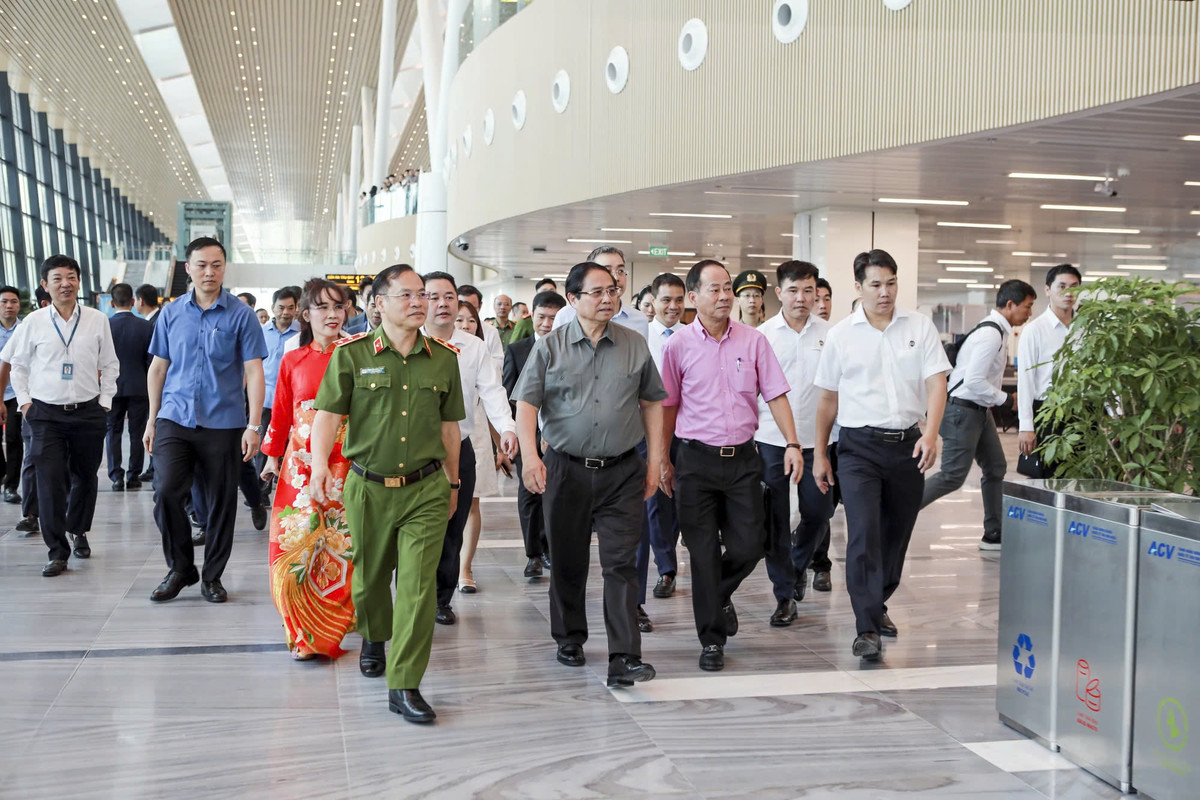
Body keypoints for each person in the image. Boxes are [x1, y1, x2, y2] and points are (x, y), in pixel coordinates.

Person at [309, 263, 465, 724]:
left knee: (418, 588)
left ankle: (405, 684)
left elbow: (449, 428)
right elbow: (328, 415)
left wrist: (453, 482)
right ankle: (374, 635)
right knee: (371, 578)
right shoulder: (351, 355)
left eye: (424, 295)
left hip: (426, 488)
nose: (420, 302)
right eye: (407, 295)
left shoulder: (443, 357)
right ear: (378, 303)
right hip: (368, 487)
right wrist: (320, 465)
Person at [514, 261, 665, 688]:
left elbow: (653, 402)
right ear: (573, 298)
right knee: (568, 560)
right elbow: (526, 405)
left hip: (622, 470)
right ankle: (569, 637)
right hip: (566, 468)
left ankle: (624, 655)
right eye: (596, 292)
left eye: (613, 291)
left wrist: (654, 461)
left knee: (621, 564)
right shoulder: (550, 347)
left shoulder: (635, 344)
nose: (608, 298)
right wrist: (530, 458)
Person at [659, 260, 801, 672]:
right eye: (715, 289)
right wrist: (663, 459)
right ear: (693, 297)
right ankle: (711, 639)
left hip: (743, 459)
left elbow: (775, 394)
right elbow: (667, 407)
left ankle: (717, 593)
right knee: (702, 552)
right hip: (694, 461)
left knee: (750, 543)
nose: (724, 296)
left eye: (728, 289)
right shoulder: (678, 346)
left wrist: (792, 442)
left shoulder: (754, 342)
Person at [812, 249, 950, 662]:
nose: (884, 292)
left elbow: (937, 384)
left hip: (909, 445)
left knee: (896, 534)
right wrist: (820, 454)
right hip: (858, 449)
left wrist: (931, 432)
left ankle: (878, 599)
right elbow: (827, 400)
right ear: (858, 286)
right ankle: (866, 626)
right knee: (863, 533)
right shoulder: (841, 335)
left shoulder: (919, 326)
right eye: (875, 284)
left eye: (891, 283)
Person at [144, 237, 268, 604]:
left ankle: (212, 576)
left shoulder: (241, 315)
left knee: (220, 503)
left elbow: (255, 371)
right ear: (188, 268)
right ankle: (181, 568)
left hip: (224, 422)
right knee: (166, 491)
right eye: (201, 265)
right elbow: (158, 368)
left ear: (224, 267)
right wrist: (151, 421)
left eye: (216, 264)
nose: (209, 272)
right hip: (174, 418)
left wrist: (254, 425)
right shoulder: (171, 313)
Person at [3, 255, 118, 577]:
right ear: (45, 284)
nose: (65, 283)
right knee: (50, 481)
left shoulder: (97, 319)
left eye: (71, 277)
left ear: (79, 282)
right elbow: (18, 366)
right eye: (57, 278)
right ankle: (57, 550)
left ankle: (78, 530)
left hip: (88, 411)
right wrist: (25, 404)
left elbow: (110, 364)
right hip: (45, 415)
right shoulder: (33, 322)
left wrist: (105, 401)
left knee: (85, 477)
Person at [260, 278, 356, 660]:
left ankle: (329, 635)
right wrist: (272, 454)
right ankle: (301, 633)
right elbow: (281, 411)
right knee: (292, 549)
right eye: (323, 307)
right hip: (299, 470)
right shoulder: (292, 360)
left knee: (341, 552)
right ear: (306, 314)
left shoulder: (357, 355)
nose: (332, 314)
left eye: (339, 306)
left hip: (348, 466)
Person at [422, 272, 517, 626]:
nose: (443, 303)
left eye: (449, 297)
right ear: (420, 300)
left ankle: (441, 599)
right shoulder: (409, 342)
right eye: (434, 296)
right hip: (414, 451)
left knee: (452, 526)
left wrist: (507, 428)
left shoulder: (473, 346)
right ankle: (411, 598)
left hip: (459, 449)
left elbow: (492, 391)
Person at [921, 280, 1036, 551]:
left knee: (996, 467)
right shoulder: (991, 334)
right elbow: (973, 381)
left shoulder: (997, 330)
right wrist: (1008, 400)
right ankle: (896, 513)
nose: (1029, 313)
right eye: (1027, 307)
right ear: (1010, 305)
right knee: (952, 475)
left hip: (978, 411)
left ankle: (993, 533)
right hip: (962, 410)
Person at [753, 261, 835, 626]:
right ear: (779, 292)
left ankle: (798, 564)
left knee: (819, 511)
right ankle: (784, 595)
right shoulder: (762, 336)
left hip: (818, 441)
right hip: (771, 439)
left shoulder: (831, 335)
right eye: (794, 290)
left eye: (808, 290)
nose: (802, 298)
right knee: (775, 519)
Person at [502, 290, 566, 580]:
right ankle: (533, 555)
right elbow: (509, 394)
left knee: (556, 495)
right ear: (532, 316)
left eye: (553, 318)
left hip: (561, 434)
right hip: (528, 432)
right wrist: (512, 434)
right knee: (529, 493)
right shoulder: (517, 350)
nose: (547, 324)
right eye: (542, 317)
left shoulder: (568, 349)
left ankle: (553, 549)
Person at [1018, 264, 1082, 479]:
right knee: (1048, 481)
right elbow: (1025, 381)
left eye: (1074, 286)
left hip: (1083, 412)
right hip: (1048, 414)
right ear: (1048, 290)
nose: (1068, 292)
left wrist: (1113, 415)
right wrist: (1026, 426)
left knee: (1083, 480)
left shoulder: (1087, 328)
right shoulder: (1034, 330)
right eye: (1061, 286)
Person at [644, 274, 685, 599]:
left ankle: (670, 555)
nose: (672, 306)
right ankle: (666, 569)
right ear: (653, 302)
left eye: (678, 300)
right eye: (666, 300)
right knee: (657, 500)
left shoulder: (693, 336)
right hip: (650, 431)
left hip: (689, 431)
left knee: (682, 500)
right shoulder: (640, 338)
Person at [105, 283, 154, 492]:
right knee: (137, 432)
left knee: (112, 431)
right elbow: (152, 362)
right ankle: (134, 475)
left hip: (111, 388)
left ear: (111, 302)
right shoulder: (146, 327)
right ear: (133, 302)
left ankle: (116, 475)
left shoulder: (105, 326)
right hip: (139, 388)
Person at [552, 246, 650, 339]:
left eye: (620, 271)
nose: (616, 278)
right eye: (607, 271)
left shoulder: (639, 320)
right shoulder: (566, 315)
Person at [808, 276, 836, 592]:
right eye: (818, 298)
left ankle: (819, 564)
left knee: (822, 508)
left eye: (827, 298)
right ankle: (797, 563)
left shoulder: (835, 335)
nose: (822, 305)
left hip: (833, 438)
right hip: (791, 437)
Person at [257, 287, 301, 486]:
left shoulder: (303, 333)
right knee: (265, 444)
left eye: (290, 308)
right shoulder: (261, 333)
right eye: (281, 308)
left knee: (290, 445)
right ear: (273, 308)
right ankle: (262, 490)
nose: (286, 312)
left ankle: (286, 486)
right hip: (266, 398)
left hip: (293, 400)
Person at [0, 286, 24, 503]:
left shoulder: (25, 329)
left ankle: (11, 486)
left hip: (16, 393)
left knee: (15, 439)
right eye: (4, 301)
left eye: (13, 302)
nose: (9, 306)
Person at [458, 284, 504, 370]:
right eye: (462, 305)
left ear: (480, 306)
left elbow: (498, 364)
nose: (466, 310)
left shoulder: (491, 331)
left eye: (472, 307)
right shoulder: (446, 329)